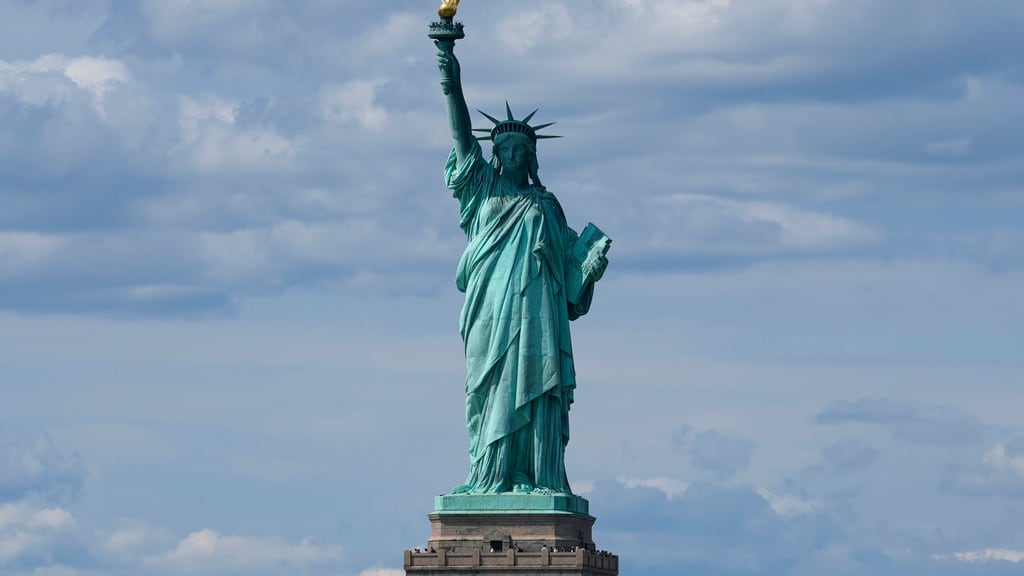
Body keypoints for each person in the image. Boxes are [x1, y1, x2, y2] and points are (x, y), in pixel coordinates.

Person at [436, 41, 608, 495]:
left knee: (537, 386)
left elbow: (570, 279)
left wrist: (589, 269)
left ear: (531, 157)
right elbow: (459, 132)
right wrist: (449, 72)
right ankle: (490, 476)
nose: (511, 155)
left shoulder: (547, 205)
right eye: (504, 147)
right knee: (488, 389)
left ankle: (537, 476)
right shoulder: (480, 192)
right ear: (493, 154)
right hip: (491, 310)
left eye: (519, 149)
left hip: (538, 315)